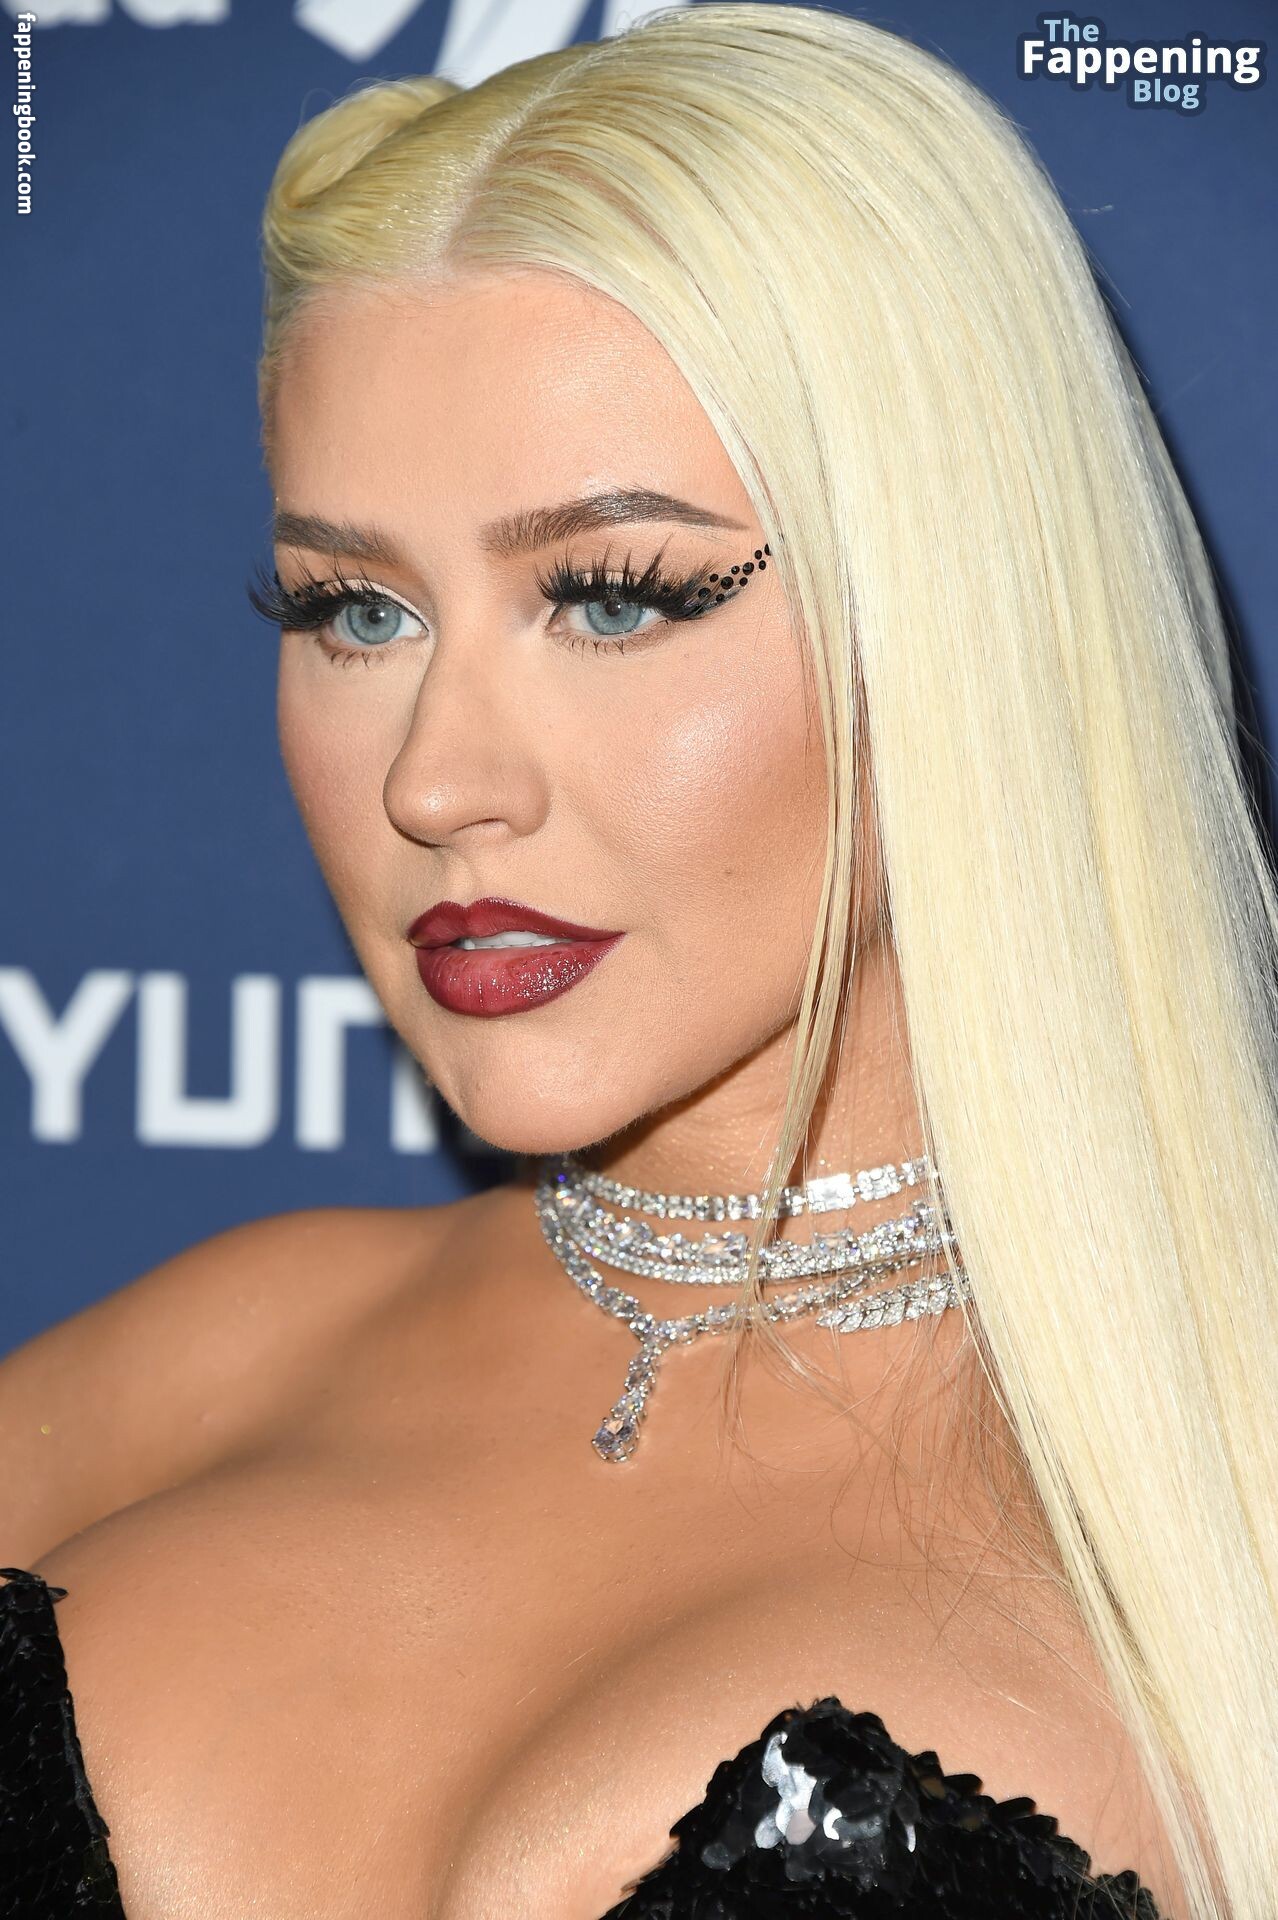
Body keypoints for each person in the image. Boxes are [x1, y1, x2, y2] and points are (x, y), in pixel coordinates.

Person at [2, 5, 1274, 1915]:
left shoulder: (1228, 1475)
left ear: (959, 616)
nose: (435, 780)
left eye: (611, 599)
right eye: (356, 609)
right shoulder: (192, 1367)